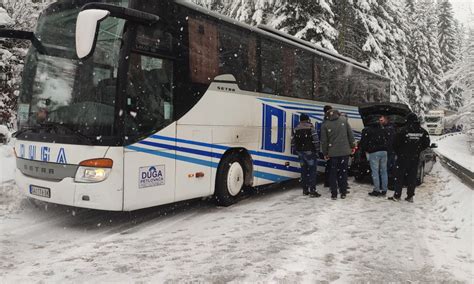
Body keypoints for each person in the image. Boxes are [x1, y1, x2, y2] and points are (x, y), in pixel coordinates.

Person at [388, 112, 430, 202]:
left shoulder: (402, 130)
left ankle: (397, 195)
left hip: (402, 158)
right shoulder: (422, 131)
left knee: (399, 177)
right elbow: (426, 143)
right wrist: (418, 150)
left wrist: (400, 152)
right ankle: (410, 196)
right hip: (414, 158)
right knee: (412, 177)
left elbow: (394, 144)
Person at [321, 109, 356, 200]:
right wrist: (353, 146)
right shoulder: (344, 120)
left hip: (332, 153)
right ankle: (343, 192)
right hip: (344, 152)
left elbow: (324, 141)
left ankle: (334, 193)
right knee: (343, 172)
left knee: (333, 173)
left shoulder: (325, 124)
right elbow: (350, 135)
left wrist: (325, 153)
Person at [291, 114, 321, 198]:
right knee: (312, 171)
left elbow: (293, 142)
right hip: (310, 152)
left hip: (300, 152)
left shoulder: (296, 129)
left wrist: (297, 151)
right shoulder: (311, 128)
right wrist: (317, 151)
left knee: (303, 171)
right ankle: (312, 190)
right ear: (308, 119)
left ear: (300, 120)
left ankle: (305, 190)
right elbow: (316, 141)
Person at [359, 115, 389, 196]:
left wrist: (366, 150)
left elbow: (363, 142)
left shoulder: (367, 130)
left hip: (374, 152)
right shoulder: (384, 129)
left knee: (375, 171)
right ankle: (384, 190)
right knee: (384, 171)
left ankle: (376, 190)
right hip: (384, 152)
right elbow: (388, 140)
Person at [380, 115, 397, 190]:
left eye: (382, 120)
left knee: (386, 168)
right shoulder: (391, 128)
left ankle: (386, 185)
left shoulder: (388, 129)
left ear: (386, 120)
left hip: (388, 151)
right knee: (390, 168)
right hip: (390, 151)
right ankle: (390, 184)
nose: (380, 122)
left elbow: (388, 141)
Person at [323, 105, 333, 188]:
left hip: (329, 146)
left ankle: (327, 181)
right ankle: (329, 182)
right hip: (331, 147)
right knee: (331, 166)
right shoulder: (329, 121)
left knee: (328, 165)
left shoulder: (325, 121)